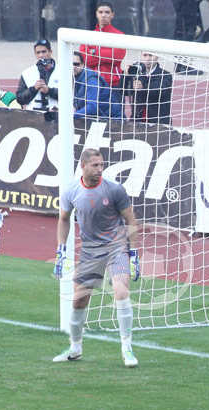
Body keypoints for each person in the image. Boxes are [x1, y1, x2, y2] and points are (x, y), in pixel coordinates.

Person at [53, 148, 139, 367]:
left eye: (102, 165)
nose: (100, 169)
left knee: (120, 290)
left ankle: (127, 347)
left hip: (116, 246)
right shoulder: (71, 191)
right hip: (90, 250)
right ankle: (75, 348)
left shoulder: (114, 189)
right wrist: (61, 249)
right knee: (79, 299)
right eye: (95, 165)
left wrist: (134, 252)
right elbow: (64, 219)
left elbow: (130, 219)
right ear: (83, 166)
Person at [79, 2, 126, 87]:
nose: (103, 15)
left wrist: (95, 52)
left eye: (107, 12)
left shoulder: (119, 35)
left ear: (112, 15)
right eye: (100, 12)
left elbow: (117, 57)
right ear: (96, 14)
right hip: (91, 83)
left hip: (113, 84)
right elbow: (84, 59)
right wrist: (107, 57)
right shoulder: (88, 36)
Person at [73, 51, 123, 120]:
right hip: (99, 119)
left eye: (76, 64)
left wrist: (72, 115)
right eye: (69, 64)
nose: (73, 67)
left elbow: (92, 107)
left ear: (82, 64)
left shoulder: (91, 80)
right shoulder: (74, 78)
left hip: (112, 121)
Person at [127, 52, 173, 125]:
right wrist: (126, 75)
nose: (148, 59)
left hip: (158, 121)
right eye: (145, 55)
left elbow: (160, 91)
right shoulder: (136, 73)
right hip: (138, 119)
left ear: (157, 56)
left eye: (151, 55)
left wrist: (142, 87)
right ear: (141, 56)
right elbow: (123, 92)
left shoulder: (166, 75)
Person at [16, 38, 61, 112]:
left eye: (44, 52)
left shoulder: (63, 71)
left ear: (50, 52)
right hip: (34, 117)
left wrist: (49, 91)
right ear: (35, 54)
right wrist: (33, 89)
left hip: (58, 116)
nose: (41, 55)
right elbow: (20, 99)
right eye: (38, 52)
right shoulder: (27, 73)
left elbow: (71, 96)